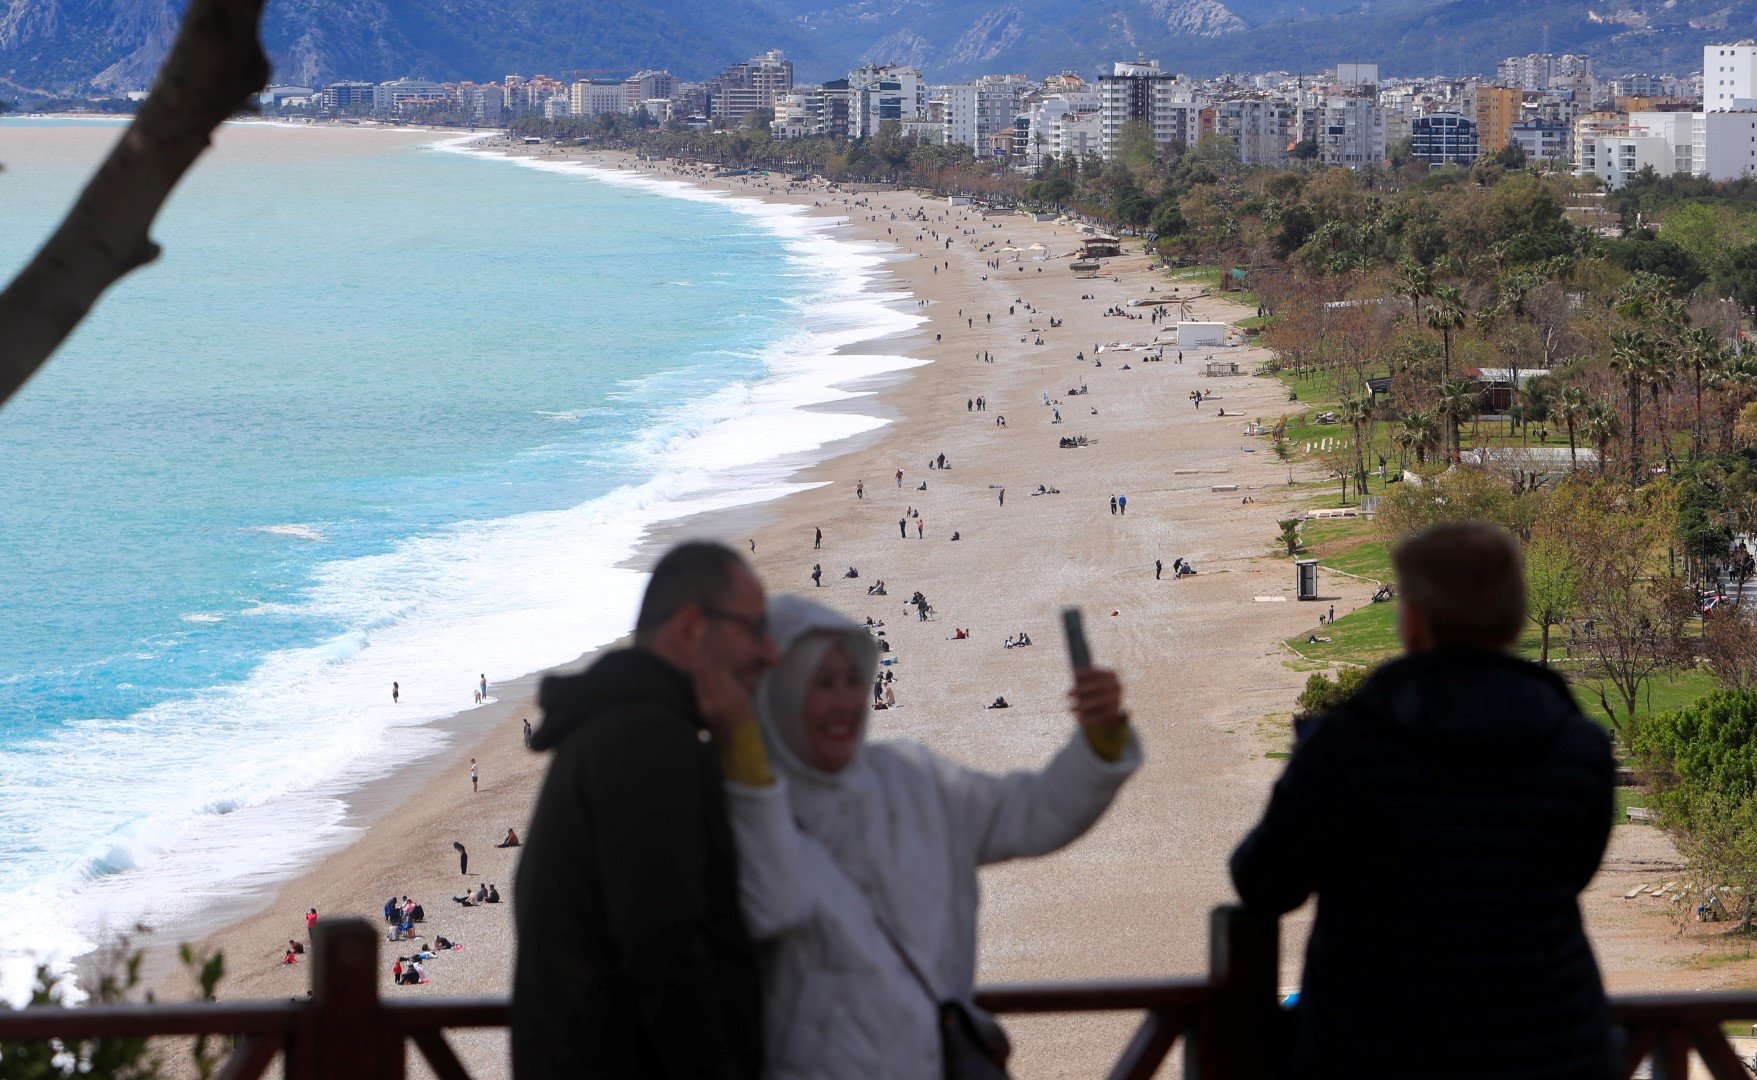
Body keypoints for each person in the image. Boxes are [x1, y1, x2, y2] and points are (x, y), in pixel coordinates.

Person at [1230, 524, 1617, 1079]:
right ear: (1512, 616)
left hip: (1377, 1048)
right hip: (1550, 1046)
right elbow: (1573, 872)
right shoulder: (1577, 748)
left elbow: (1261, 882)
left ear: (1412, 619)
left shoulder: (1347, 746)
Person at [705, 596, 1140, 1078]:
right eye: (821, 683)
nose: (845, 702)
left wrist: (1100, 739)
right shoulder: (746, 806)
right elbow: (772, 903)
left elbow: (1035, 814)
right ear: (778, 691)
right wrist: (746, 767)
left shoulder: (914, 780)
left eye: (853, 680)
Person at [513, 541, 774, 1079]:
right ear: (688, 630)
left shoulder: (621, 728)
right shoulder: (647, 742)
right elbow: (666, 953)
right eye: (753, 628)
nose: (767, 652)